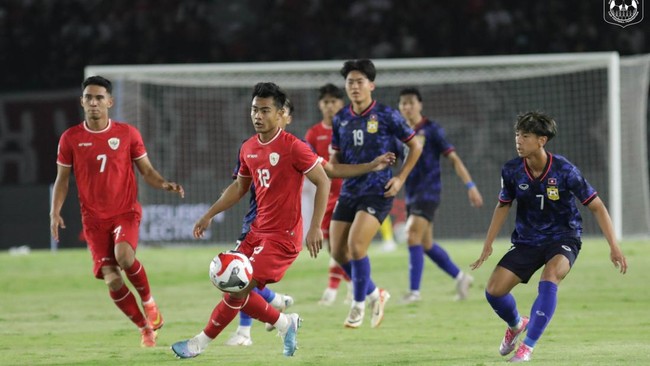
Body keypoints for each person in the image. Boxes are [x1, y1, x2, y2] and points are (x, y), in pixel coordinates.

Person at [171, 82, 331, 358]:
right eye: (254, 110)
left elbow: (323, 181)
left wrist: (316, 226)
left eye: (265, 110)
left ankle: (200, 343)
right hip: (256, 233)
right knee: (226, 281)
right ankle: (284, 321)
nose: (258, 115)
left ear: (280, 113)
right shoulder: (248, 148)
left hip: (283, 238)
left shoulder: (294, 147)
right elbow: (239, 188)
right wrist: (210, 214)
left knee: (236, 288)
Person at [470, 111, 627, 362]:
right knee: (493, 291)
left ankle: (527, 347)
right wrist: (488, 244)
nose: (518, 140)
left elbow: (596, 205)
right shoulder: (511, 170)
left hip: (564, 236)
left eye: (525, 135)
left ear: (541, 140)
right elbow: (503, 205)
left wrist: (614, 246)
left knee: (550, 276)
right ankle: (515, 325)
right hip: (527, 240)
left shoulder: (565, 170)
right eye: (517, 135)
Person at [49, 75, 185, 348]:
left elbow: (146, 171)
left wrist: (164, 184)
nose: (94, 103)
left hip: (125, 211)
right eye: (89, 98)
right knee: (112, 280)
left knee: (124, 256)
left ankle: (149, 302)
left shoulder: (127, 134)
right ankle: (145, 327)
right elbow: (62, 180)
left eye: (99, 98)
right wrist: (55, 212)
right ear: (82, 102)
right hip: (93, 220)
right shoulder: (70, 138)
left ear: (110, 102)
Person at [330, 59, 423, 329]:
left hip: (378, 191)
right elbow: (336, 156)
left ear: (371, 85)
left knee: (356, 246)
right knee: (337, 251)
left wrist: (400, 178)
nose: (355, 86)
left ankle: (358, 304)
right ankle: (375, 293)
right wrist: (331, 163)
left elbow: (414, 146)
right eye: (350, 82)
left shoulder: (386, 115)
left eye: (360, 82)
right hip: (349, 191)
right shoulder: (341, 118)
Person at [397, 87, 484, 303]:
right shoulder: (398, 131)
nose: (407, 107)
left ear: (420, 105)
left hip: (429, 191)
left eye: (411, 102)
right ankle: (461, 277)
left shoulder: (432, 129)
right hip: (411, 192)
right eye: (403, 103)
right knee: (425, 243)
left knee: (411, 235)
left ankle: (414, 293)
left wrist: (470, 185)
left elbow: (453, 158)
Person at [305, 83, 351, 306]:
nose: (330, 106)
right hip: (326, 196)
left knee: (343, 244)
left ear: (341, 104)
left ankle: (338, 290)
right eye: (326, 102)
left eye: (334, 101)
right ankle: (352, 286)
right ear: (320, 105)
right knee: (334, 246)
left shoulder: (350, 128)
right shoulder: (313, 133)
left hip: (349, 193)